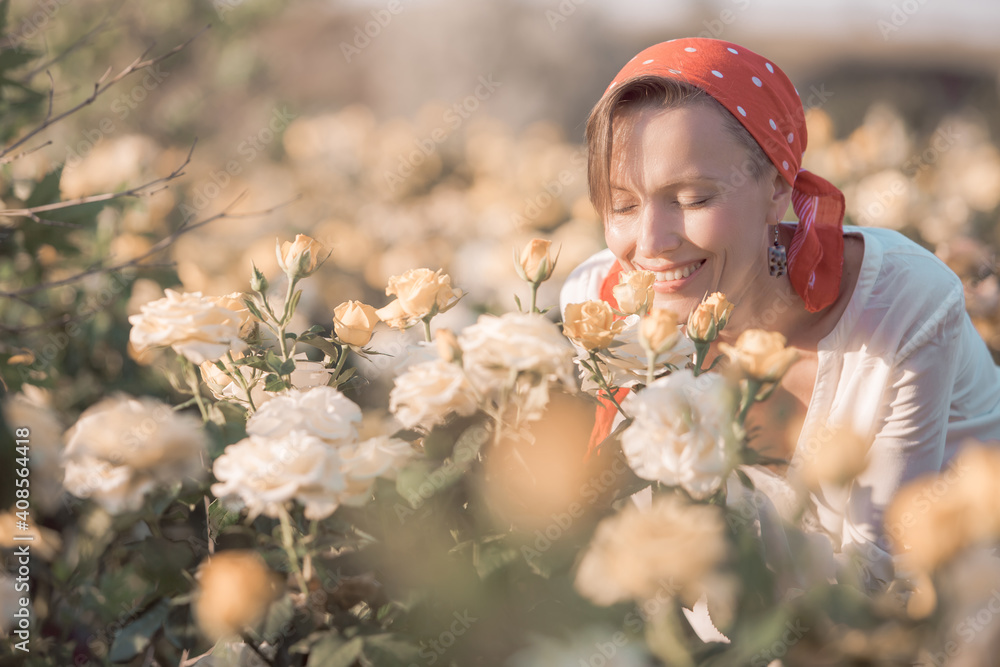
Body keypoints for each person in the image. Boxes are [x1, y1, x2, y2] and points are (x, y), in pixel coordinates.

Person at [560, 37, 1000, 592]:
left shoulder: (899, 303)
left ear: (776, 186)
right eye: (622, 204)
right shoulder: (599, 310)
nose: (651, 242)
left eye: (693, 198)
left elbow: (885, 579)